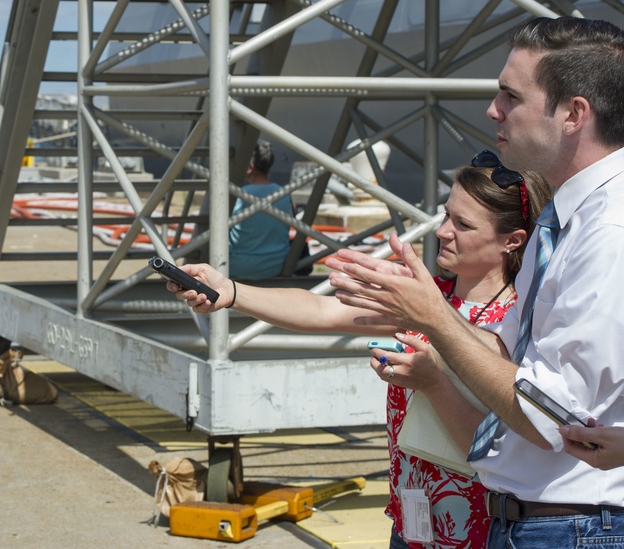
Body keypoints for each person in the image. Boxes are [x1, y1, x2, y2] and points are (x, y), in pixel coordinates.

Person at [326, 16, 624, 548]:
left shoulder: (607, 230)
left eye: (511, 96)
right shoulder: (565, 223)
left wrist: (434, 318)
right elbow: (507, 350)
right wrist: (414, 309)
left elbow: (550, 415)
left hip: (572, 526)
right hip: (543, 521)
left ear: (574, 113)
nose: (494, 110)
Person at [170, 158, 549, 548]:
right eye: (446, 215)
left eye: (463, 225)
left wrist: (434, 384)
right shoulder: (427, 297)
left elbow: (503, 450)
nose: (442, 231)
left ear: (513, 240)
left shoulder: (521, 320)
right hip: (412, 522)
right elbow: (319, 310)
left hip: (483, 532)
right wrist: (230, 292)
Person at [229, 141, 301, 279]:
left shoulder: (239, 194)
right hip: (277, 265)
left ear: (250, 167)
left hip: (238, 266)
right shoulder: (284, 193)